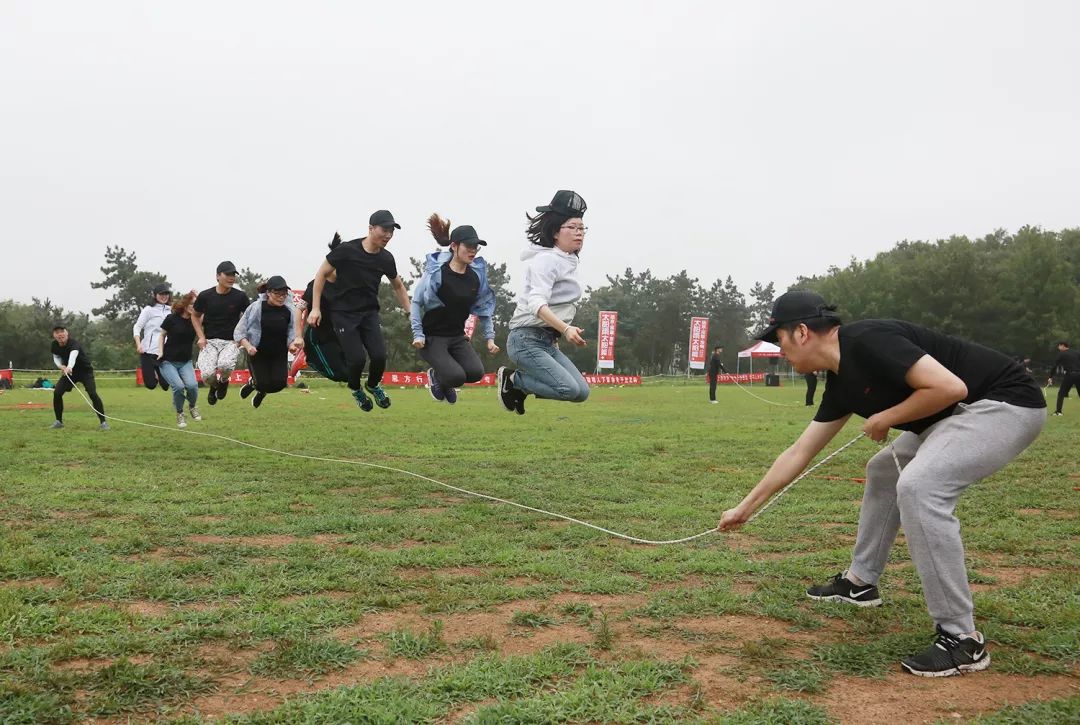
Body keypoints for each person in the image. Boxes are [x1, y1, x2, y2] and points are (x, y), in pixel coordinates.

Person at [718, 291, 1046, 677]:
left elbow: (950, 388)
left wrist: (886, 416)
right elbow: (799, 452)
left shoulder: (869, 340)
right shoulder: (840, 385)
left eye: (780, 339)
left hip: (1002, 405)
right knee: (884, 472)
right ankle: (860, 582)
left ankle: (962, 639)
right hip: (952, 417)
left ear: (802, 332)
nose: (779, 351)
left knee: (919, 487)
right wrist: (745, 508)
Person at [306, 210, 411, 412]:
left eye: (391, 231)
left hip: (369, 313)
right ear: (371, 229)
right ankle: (355, 389)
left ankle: (372, 385)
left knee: (379, 356)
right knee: (357, 359)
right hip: (343, 314)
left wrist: (409, 313)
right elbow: (320, 275)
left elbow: (398, 285)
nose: (388, 235)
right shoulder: (347, 250)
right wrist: (316, 308)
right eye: (384, 230)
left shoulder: (386, 258)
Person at [497, 190, 590, 415]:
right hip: (525, 340)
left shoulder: (567, 259)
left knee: (581, 392)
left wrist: (556, 334)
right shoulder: (547, 260)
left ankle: (518, 388)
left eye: (582, 228)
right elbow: (536, 304)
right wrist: (566, 329)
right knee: (567, 389)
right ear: (556, 232)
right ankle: (514, 380)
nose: (579, 233)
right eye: (573, 228)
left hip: (546, 340)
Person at [410, 215, 499, 404]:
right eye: (468, 246)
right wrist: (418, 334)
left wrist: (490, 338)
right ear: (454, 246)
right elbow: (416, 302)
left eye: (476, 247)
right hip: (432, 338)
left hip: (457, 337)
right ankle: (439, 377)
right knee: (457, 376)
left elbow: (484, 308)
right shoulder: (437, 273)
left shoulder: (475, 277)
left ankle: (443, 379)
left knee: (476, 373)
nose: (473, 251)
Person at [235, 276, 304, 408]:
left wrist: (291, 345)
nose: (281, 297)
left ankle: (260, 390)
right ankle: (253, 384)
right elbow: (239, 332)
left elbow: (291, 332)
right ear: (268, 292)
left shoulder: (289, 311)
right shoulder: (255, 308)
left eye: (284, 294)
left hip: (278, 353)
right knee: (262, 383)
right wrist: (248, 346)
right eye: (277, 294)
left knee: (279, 384)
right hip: (257, 352)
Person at [192, 261, 250, 405]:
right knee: (206, 375)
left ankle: (224, 381)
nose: (231, 278)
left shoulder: (240, 296)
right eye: (228, 274)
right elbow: (195, 316)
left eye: (233, 275)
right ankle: (215, 385)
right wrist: (201, 337)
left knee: (225, 365)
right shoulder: (205, 296)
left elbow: (249, 317)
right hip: (209, 342)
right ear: (218, 276)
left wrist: (241, 337)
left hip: (231, 341)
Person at [49, 322, 109, 430]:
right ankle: (58, 421)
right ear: (54, 335)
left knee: (92, 394)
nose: (60, 334)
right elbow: (56, 357)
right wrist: (61, 366)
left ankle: (103, 422)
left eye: (62, 332)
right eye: (57, 332)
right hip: (70, 373)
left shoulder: (74, 344)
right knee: (57, 392)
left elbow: (73, 356)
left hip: (85, 371)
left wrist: (69, 367)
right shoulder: (54, 345)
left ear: (67, 333)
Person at [157, 292, 202, 428]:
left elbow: (208, 311)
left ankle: (193, 407)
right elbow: (162, 335)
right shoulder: (172, 318)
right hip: (168, 361)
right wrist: (160, 351)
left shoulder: (196, 320)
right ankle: (180, 413)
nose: (194, 307)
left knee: (193, 386)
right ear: (185, 304)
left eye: (196, 305)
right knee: (179, 387)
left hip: (185, 361)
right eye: (192, 304)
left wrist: (201, 297)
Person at [133, 283, 173, 391]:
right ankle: (154, 372)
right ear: (155, 295)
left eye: (166, 294)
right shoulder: (149, 310)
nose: (164, 296)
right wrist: (138, 344)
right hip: (148, 352)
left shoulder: (171, 310)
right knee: (151, 385)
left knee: (165, 385)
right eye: (161, 294)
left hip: (164, 351)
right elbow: (137, 327)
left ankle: (159, 372)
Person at [1048, 340, 1080, 416]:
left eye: (1059, 346)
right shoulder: (1077, 352)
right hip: (1079, 374)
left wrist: (1050, 377)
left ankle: (1058, 412)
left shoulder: (1061, 354)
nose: (1058, 348)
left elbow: (1055, 366)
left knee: (1061, 393)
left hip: (1070, 375)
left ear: (1062, 345)